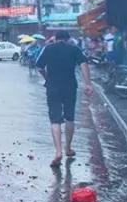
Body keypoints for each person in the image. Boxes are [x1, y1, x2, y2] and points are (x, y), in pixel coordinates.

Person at [36, 30, 92, 166]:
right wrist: (88, 84)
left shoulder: (48, 49)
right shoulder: (74, 49)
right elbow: (84, 64)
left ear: (55, 38)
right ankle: (68, 148)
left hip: (53, 87)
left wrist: (47, 78)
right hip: (69, 86)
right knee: (69, 117)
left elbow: (39, 67)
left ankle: (58, 152)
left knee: (55, 119)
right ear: (67, 39)